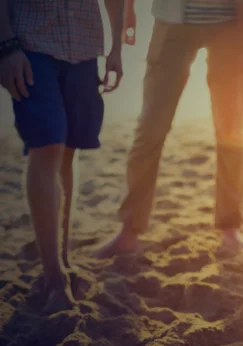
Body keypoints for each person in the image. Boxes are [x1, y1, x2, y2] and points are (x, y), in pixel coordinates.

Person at [94, 0, 243, 257]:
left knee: (231, 130)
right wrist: (128, 9)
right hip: (172, 20)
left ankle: (230, 228)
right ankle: (129, 229)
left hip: (232, 23)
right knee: (150, 127)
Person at [0, 0, 124, 313]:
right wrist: (6, 47)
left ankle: (63, 258)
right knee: (47, 147)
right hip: (30, 44)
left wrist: (116, 49)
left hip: (83, 47)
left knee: (68, 151)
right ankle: (54, 277)